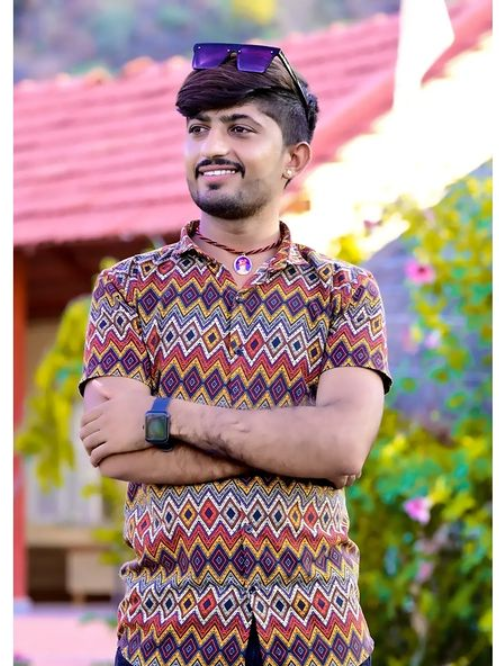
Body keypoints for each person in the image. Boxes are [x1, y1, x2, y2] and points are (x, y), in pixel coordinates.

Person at [79, 42, 391, 666]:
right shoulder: (127, 289)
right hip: (169, 637)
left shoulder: (345, 292)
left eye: (240, 128)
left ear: (293, 158)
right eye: (199, 129)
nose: (212, 146)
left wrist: (170, 417)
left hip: (315, 636)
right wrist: (288, 448)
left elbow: (341, 448)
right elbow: (116, 450)